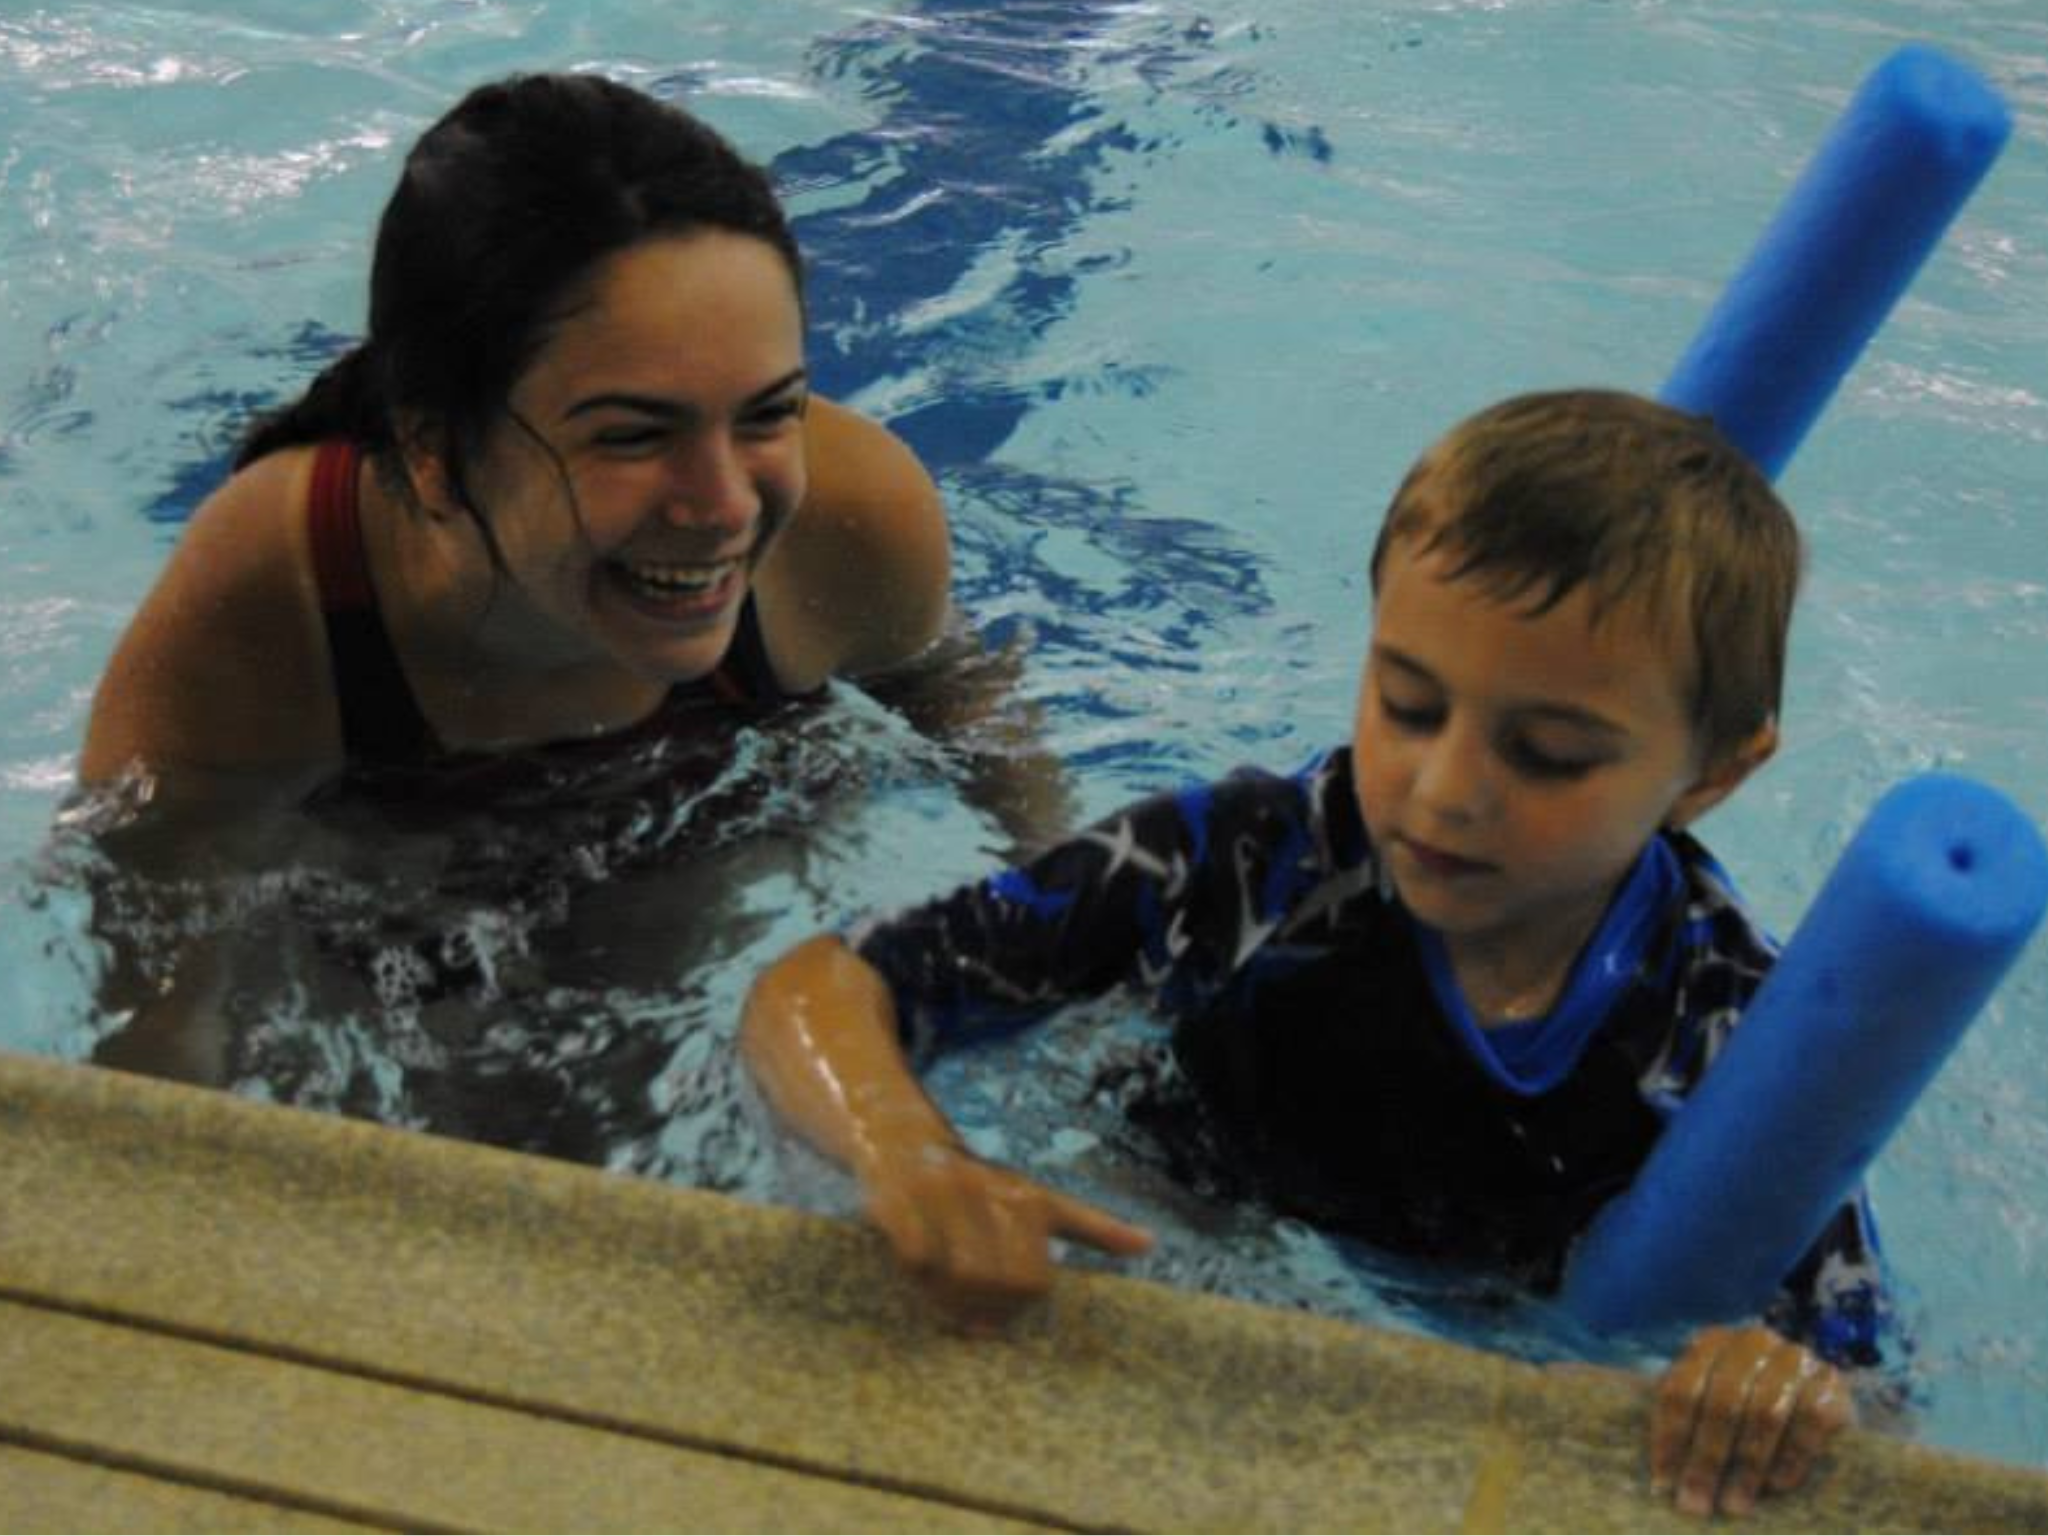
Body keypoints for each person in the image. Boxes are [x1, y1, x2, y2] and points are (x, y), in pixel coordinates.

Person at [742, 389, 1887, 1519]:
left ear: (1711, 776)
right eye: (1406, 705)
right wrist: (908, 1149)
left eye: (1545, 756)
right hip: (1171, 1215)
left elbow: (1862, 1393)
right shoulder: (1242, 866)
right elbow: (820, 988)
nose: (1443, 794)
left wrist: (1773, 1382)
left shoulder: (1729, 1027)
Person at [73, 73, 967, 1088]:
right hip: (390, 895)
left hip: (709, 848)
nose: (723, 504)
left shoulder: (854, 526)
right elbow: (154, 1004)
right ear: (430, 449)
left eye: (768, 413)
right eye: (633, 434)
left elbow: (962, 706)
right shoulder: (287, 598)